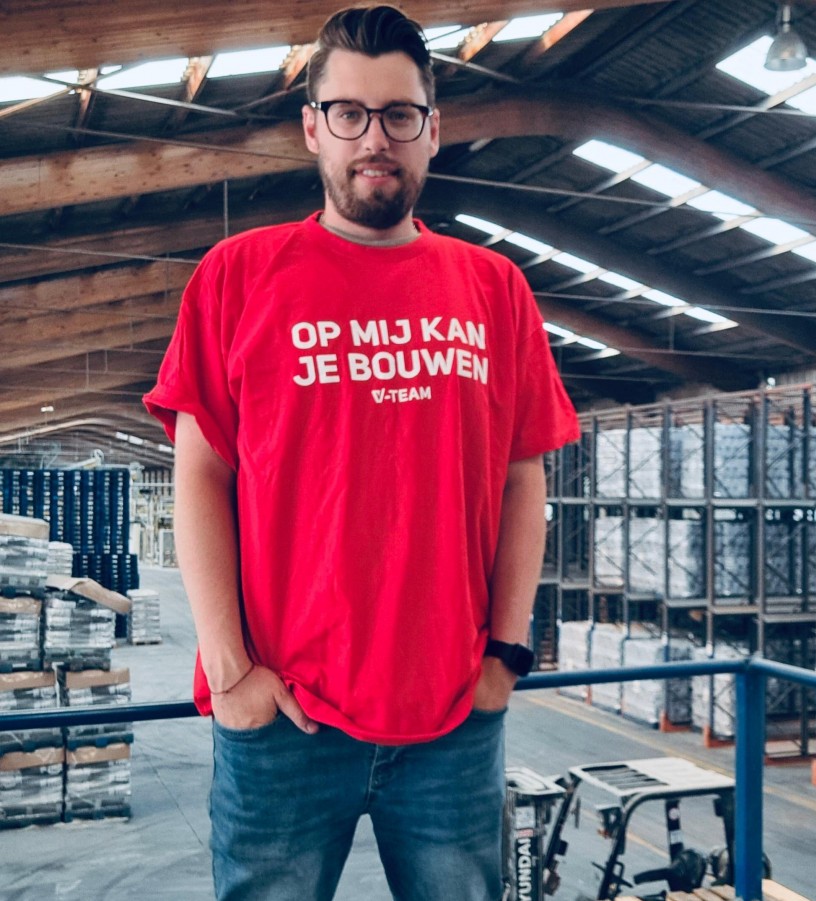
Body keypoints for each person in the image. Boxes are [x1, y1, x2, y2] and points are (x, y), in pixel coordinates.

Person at [143, 5, 579, 900]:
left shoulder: (493, 288)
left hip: (453, 721)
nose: (373, 138)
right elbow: (200, 474)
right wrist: (231, 670)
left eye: (398, 114)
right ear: (312, 127)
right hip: (285, 725)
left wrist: (507, 650)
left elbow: (523, 473)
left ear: (432, 129)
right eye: (349, 113)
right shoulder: (237, 276)